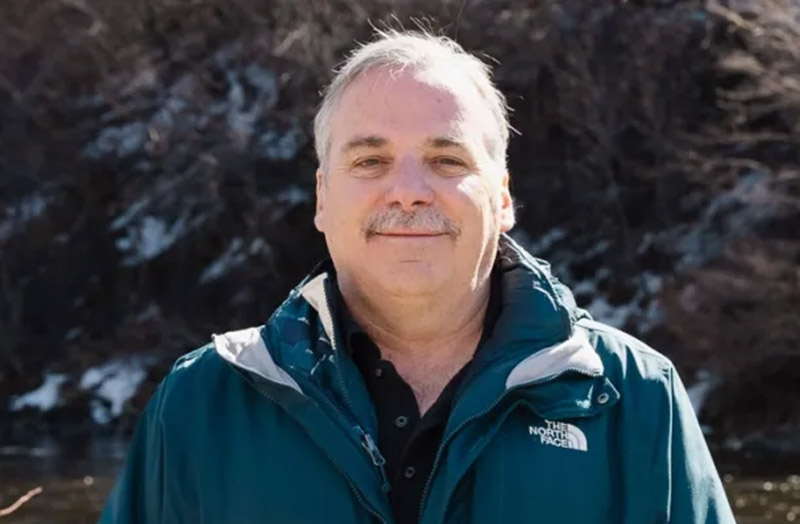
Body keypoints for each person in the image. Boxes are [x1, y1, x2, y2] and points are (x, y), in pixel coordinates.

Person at [99, 29, 735, 524]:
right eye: (371, 159)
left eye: (445, 157)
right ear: (322, 198)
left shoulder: (634, 400)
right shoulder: (204, 402)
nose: (407, 191)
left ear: (503, 196)